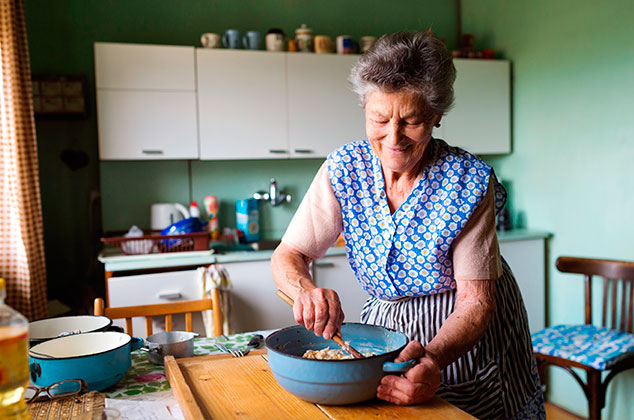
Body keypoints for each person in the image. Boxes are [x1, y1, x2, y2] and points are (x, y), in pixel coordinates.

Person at [271, 31, 545, 420]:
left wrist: (432, 357)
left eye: (412, 121)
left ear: (436, 116)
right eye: (379, 119)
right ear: (365, 108)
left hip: (463, 339)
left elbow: (475, 303)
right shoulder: (343, 168)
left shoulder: (468, 181)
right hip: (385, 334)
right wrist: (305, 290)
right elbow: (289, 255)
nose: (393, 138)